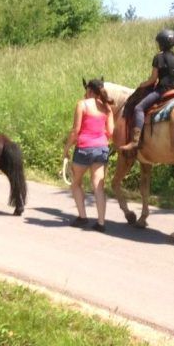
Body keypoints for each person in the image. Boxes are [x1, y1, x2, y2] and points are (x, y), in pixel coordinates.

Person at [63, 78, 115, 232]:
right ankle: (101, 223)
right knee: (98, 186)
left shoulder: (82, 105)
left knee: (76, 183)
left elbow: (75, 131)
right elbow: (111, 132)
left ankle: (83, 217)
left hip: (84, 149)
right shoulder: (107, 108)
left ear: (89, 90)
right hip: (101, 149)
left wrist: (66, 149)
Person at [120, 29, 174, 152]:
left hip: (163, 90)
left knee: (139, 108)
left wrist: (142, 84)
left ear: (161, 43)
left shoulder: (159, 57)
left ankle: (135, 141)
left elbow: (153, 79)